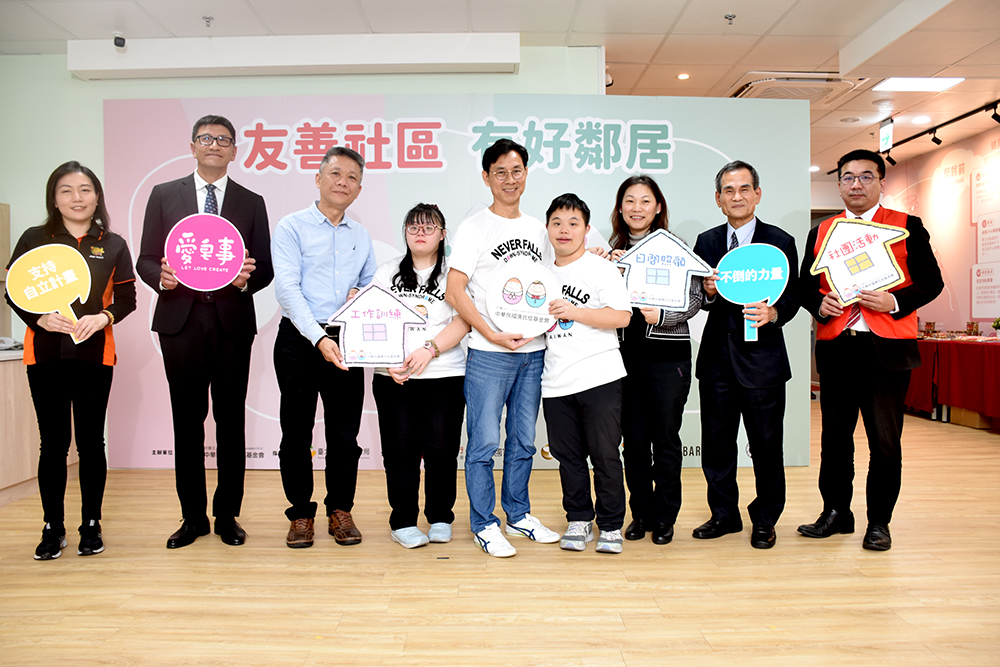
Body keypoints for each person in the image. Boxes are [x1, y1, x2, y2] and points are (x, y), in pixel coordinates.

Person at [137, 114, 273, 550]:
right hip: (180, 322)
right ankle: (192, 517)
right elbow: (145, 259)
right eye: (206, 138)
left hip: (231, 322)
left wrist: (245, 280)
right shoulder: (164, 194)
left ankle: (227, 515)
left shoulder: (251, 201)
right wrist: (161, 278)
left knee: (231, 422)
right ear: (193, 146)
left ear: (234, 151)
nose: (214, 145)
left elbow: (265, 268)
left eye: (223, 140)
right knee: (187, 421)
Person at [798, 149, 943, 551]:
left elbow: (931, 282)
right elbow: (805, 285)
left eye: (865, 176)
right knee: (834, 440)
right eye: (848, 177)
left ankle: (879, 522)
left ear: (881, 182)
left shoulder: (907, 226)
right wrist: (819, 303)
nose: (856, 184)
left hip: (887, 350)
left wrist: (894, 301)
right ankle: (835, 513)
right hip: (838, 348)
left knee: (885, 442)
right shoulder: (822, 230)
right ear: (839, 184)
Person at [6, 161, 136, 559]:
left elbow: (127, 298)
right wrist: (39, 319)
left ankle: (91, 525)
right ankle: (52, 527)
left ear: (97, 196)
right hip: (45, 355)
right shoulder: (34, 239)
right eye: (66, 190)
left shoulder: (112, 244)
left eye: (84, 190)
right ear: (54, 198)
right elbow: (14, 291)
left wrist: (103, 317)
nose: (76, 198)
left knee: (92, 443)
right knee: (53, 443)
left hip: (95, 355)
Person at [444, 138, 560, 557]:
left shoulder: (539, 229)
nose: (510, 180)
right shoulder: (475, 227)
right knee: (482, 444)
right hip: (489, 354)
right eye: (500, 173)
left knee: (524, 441)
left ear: (526, 174)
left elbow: (555, 277)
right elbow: (454, 290)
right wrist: (490, 333)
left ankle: (518, 514)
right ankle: (484, 523)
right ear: (486, 177)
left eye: (516, 171)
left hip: (533, 352)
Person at [692, 160, 800, 549]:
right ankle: (724, 514)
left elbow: (794, 294)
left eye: (743, 189)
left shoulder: (779, 240)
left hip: (763, 363)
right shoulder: (706, 241)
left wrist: (774, 312)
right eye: (728, 190)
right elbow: (697, 298)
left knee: (766, 446)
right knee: (717, 446)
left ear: (757, 194)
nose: (736, 197)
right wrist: (707, 292)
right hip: (717, 363)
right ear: (718, 199)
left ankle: (766, 518)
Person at [272, 146, 376, 549]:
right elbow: (287, 288)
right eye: (335, 174)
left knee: (345, 434)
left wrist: (360, 294)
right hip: (299, 338)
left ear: (359, 189)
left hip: (346, 340)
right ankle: (300, 513)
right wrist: (317, 337)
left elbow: (369, 283)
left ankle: (340, 510)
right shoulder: (291, 226)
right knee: (296, 432)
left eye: (352, 178)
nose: (343, 183)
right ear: (318, 179)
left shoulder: (361, 235)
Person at [608, 175, 703, 546]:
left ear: (658, 206)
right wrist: (608, 269)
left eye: (645, 201)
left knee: (664, 440)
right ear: (620, 208)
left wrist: (662, 316)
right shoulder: (612, 252)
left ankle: (665, 517)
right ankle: (641, 513)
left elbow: (695, 299)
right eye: (630, 201)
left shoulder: (675, 248)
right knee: (633, 442)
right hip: (624, 359)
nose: (637, 208)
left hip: (668, 359)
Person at [372, 204, 470, 549]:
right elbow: (372, 319)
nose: (420, 233)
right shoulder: (387, 272)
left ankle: (440, 516)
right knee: (400, 452)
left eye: (429, 227)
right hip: (393, 377)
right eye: (413, 227)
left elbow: (463, 320)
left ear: (442, 235)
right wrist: (388, 361)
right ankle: (402, 521)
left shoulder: (453, 274)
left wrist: (430, 349)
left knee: (442, 451)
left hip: (444, 375)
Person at [541, 194, 632, 554]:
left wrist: (575, 311)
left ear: (586, 228)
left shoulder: (600, 268)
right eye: (557, 223)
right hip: (554, 380)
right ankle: (579, 518)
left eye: (573, 223)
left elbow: (621, 316)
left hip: (599, 377)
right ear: (547, 228)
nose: (564, 230)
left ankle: (610, 524)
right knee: (568, 457)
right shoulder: (539, 274)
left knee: (605, 454)